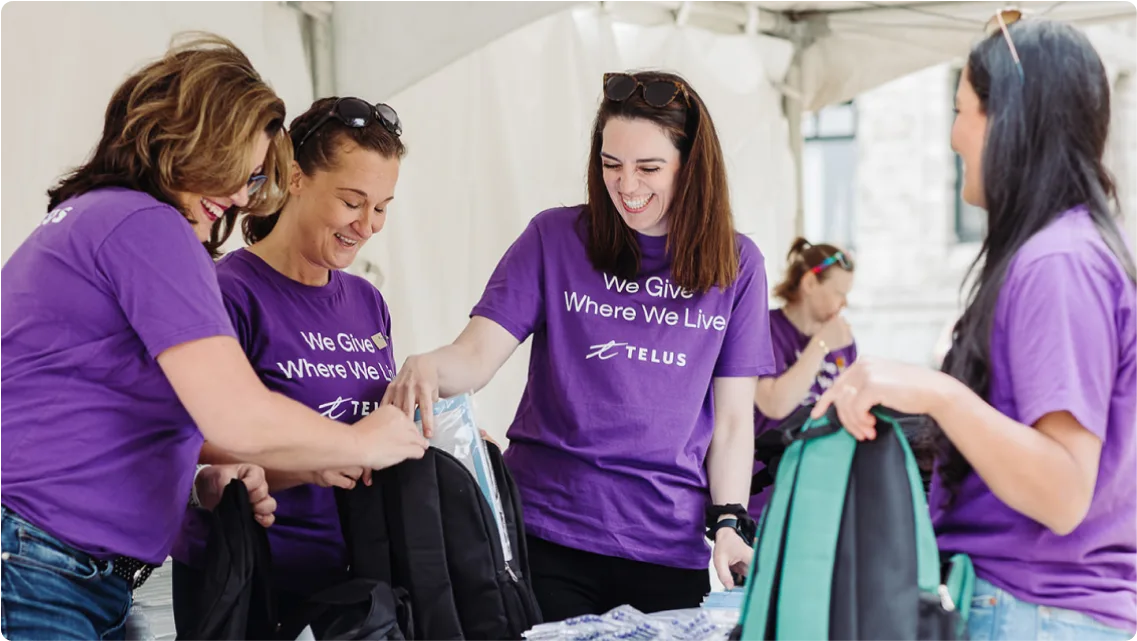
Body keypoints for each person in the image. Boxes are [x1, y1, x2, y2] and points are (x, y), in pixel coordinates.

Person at [0, 35, 426, 640]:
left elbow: (113, 403)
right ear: (189, 137)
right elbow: (232, 416)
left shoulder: (101, 216)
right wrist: (362, 443)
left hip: (71, 570)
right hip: (41, 565)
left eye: (253, 179)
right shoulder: (149, 226)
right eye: (239, 171)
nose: (240, 196)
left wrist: (201, 476)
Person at [383, 70, 775, 621]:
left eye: (649, 168)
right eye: (611, 165)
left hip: (667, 544)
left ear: (692, 167)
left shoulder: (738, 266)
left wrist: (730, 524)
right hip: (548, 531)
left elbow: (734, 422)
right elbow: (474, 356)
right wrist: (425, 366)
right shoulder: (554, 239)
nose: (628, 186)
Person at [814, 15, 1137, 640]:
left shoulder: (1059, 262)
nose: (954, 135)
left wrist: (934, 391)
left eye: (963, 109)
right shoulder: (1070, 251)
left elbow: (1063, 491)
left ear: (1009, 122)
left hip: (1031, 613)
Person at [170, 95, 407, 637]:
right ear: (296, 178)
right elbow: (191, 446)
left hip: (351, 582)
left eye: (383, 206)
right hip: (245, 574)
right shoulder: (227, 292)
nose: (367, 224)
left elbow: (369, 430)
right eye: (352, 201)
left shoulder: (368, 302)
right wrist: (315, 461)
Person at [749, 237, 855, 517]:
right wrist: (820, 345)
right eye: (838, 292)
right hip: (765, 494)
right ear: (809, 283)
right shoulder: (765, 329)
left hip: (820, 489)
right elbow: (774, 404)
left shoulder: (843, 342)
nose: (843, 303)